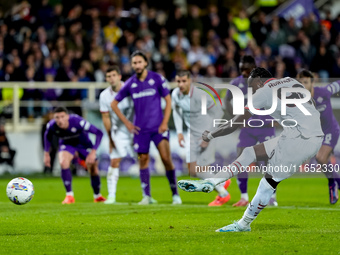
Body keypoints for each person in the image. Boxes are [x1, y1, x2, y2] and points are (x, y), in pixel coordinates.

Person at [178, 67, 324, 232]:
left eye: (252, 85)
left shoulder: (264, 92)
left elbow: (236, 123)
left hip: (300, 139)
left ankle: (243, 224)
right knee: (249, 152)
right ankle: (213, 182)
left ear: (260, 81)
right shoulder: (291, 81)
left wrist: (211, 135)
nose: (252, 89)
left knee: (267, 183)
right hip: (303, 134)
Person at [111, 50, 181, 205]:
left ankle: (175, 194)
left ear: (145, 63)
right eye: (134, 63)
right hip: (140, 130)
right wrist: (128, 124)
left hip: (158, 128)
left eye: (139, 62)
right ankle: (146, 196)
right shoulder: (130, 83)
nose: (137, 65)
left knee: (166, 159)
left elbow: (168, 101)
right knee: (143, 161)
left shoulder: (156, 79)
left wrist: (165, 123)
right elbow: (114, 104)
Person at [172, 70, 231, 206]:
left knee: (201, 169)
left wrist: (208, 136)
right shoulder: (176, 94)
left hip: (207, 134)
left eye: (184, 81)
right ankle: (221, 181)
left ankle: (223, 194)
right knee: (193, 171)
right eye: (178, 81)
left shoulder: (200, 96)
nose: (181, 84)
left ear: (190, 81)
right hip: (192, 135)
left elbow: (218, 112)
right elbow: (176, 111)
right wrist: (180, 132)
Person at [225, 55, 276, 207]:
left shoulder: (265, 82)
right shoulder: (235, 83)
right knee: (241, 158)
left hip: (265, 126)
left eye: (246, 70)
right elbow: (227, 101)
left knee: (270, 161)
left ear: (254, 68)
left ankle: (272, 196)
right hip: (247, 128)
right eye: (241, 70)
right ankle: (244, 196)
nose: (244, 73)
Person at [44, 107, 106, 204]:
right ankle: (69, 195)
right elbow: (47, 137)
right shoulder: (51, 126)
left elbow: (99, 133)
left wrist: (93, 152)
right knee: (63, 162)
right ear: (54, 118)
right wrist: (46, 153)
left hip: (84, 144)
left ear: (67, 116)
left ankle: (97, 196)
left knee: (93, 167)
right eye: (57, 117)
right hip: (67, 145)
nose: (60, 120)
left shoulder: (78, 122)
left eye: (62, 117)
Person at [297, 69, 340, 204]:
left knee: (320, 158)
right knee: (321, 161)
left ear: (312, 83)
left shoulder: (324, 92)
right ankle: (333, 183)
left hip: (330, 130)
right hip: (316, 134)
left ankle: (333, 184)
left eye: (306, 82)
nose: (303, 85)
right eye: (300, 82)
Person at [99, 66, 134, 204]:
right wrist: (110, 138)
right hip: (118, 131)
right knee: (114, 161)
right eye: (108, 76)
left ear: (120, 76)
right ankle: (112, 195)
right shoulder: (104, 96)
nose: (111, 78)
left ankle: (146, 194)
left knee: (143, 158)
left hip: (135, 128)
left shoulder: (131, 89)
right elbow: (106, 118)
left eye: (114, 75)